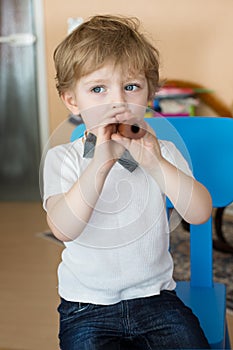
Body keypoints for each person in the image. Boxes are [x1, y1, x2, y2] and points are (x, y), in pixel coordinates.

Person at [43, 14, 212, 349]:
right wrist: (100, 164)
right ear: (73, 101)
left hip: (157, 300)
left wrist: (157, 164)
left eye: (131, 87)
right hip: (86, 307)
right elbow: (63, 228)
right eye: (98, 89)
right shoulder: (63, 159)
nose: (117, 102)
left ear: (149, 94)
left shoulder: (162, 152)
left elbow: (199, 213)